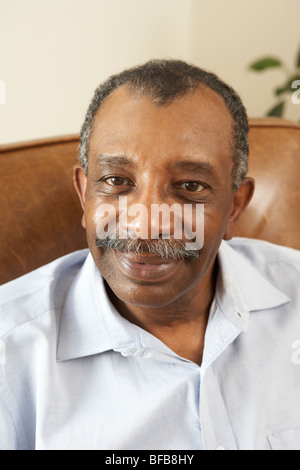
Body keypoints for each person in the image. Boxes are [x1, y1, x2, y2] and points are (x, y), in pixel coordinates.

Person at [1, 59, 300, 451]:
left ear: (235, 208)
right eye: (116, 181)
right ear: (83, 194)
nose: (144, 227)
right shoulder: (10, 352)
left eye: (190, 186)